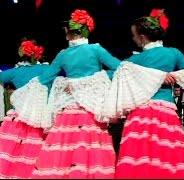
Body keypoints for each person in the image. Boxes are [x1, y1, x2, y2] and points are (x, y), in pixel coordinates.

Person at [29, 9, 121, 178]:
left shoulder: (64, 54)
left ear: (69, 32)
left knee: (66, 147)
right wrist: (98, 78)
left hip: (69, 110)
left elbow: (45, 78)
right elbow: (119, 68)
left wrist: (82, 82)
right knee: (87, 145)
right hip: (90, 110)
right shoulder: (95, 50)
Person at [114, 9, 184, 178]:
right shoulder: (173, 53)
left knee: (140, 158)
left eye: (134, 35)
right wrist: (171, 76)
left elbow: (113, 74)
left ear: (142, 37)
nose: (133, 39)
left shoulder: (133, 61)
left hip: (140, 113)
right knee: (167, 156)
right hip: (164, 111)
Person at [0, 39, 49, 178]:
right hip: (39, 116)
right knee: (34, 150)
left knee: (14, 152)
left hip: (18, 117)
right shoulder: (46, 69)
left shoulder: (15, 72)